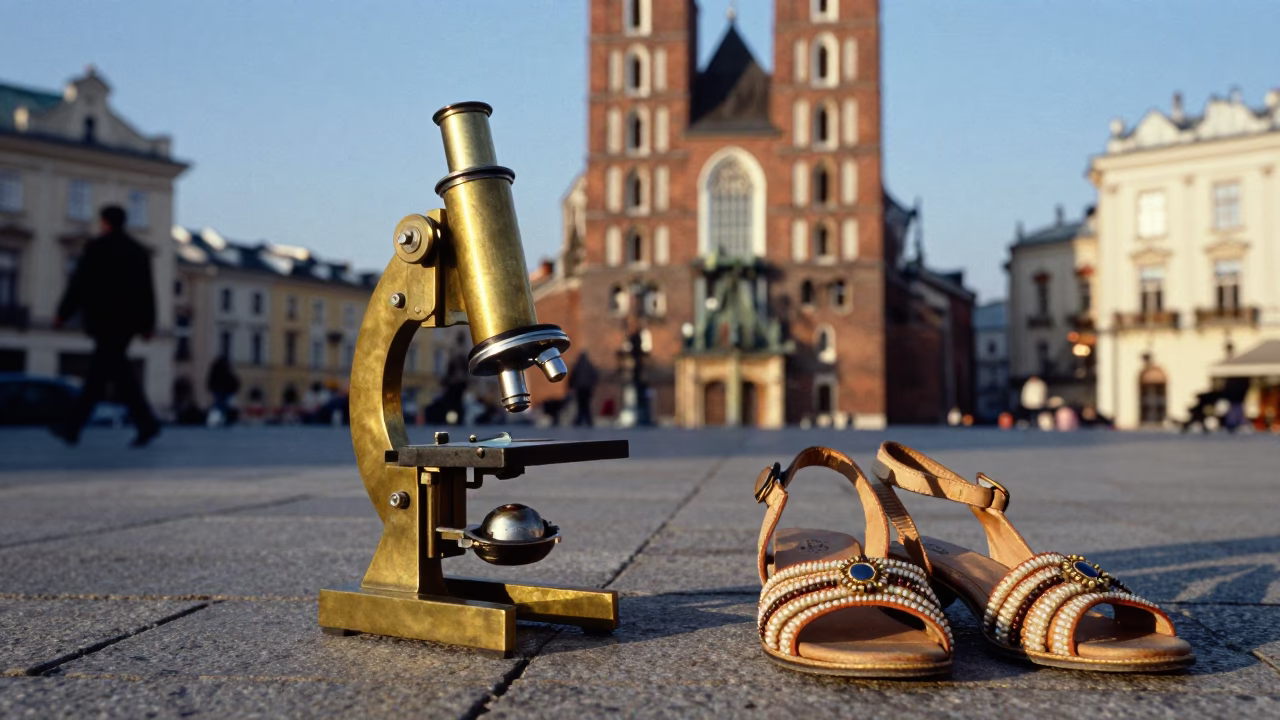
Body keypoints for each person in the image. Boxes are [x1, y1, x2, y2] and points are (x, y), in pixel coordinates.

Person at [52, 205, 160, 447]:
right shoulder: (137, 251)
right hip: (127, 323)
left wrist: (63, 313)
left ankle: (73, 428)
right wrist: (148, 324)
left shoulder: (96, 248)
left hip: (103, 320)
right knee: (114, 375)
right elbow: (147, 291)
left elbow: (79, 283)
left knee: (101, 376)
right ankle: (146, 424)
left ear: (104, 222)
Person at [206, 355, 241, 427]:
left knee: (218, 405)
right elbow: (233, 381)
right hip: (225, 390)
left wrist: (211, 387)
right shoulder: (226, 370)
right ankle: (222, 419)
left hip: (219, 390)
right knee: (224, 405)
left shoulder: (215, 370)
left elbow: (211, 380)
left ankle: (215, 420)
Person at [569, 352, 599, 427]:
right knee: (586, 405)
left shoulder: (578, 366)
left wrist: (570, 386)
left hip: (580, 388)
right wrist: (593, 385)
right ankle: (587, 421)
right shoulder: (589, 365)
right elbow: (595, 376)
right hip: (587, 388)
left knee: (581, 405)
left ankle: (579, 421)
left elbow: (572, 376)